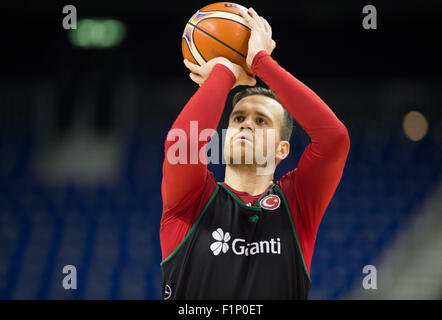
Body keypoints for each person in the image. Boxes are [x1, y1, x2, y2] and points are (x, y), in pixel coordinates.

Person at [160, 7, 350, 299]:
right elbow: (181, 144)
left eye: (261, 120)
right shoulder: (192, 200)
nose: (246, 124)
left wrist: (261, 63)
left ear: (282, 149)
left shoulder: (297, 204)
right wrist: (225, 71)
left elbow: (334, 139)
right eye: (238, 118)